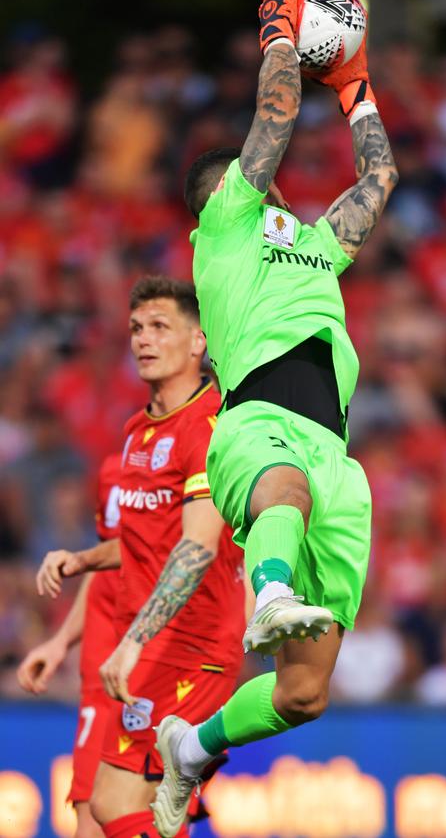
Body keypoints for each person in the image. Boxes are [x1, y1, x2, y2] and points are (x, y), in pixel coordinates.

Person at [152, 0, 398, 834]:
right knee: (281, 488)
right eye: (253, 183)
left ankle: (195, 747)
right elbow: (275, 122)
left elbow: (381, 175)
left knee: (304, 693)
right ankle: (269, 590)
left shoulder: (316, 249)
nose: (271, 185)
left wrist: (357, 82)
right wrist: (281, 38)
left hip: (334, 451)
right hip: (257, 423)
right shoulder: (224, 229)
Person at [35, 275, 247, 838]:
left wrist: (129, 644)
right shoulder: (136, 432)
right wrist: (82, 560)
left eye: (160, 327)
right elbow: (142, 542)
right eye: (135, 328)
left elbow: (197, 547)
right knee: (126, 806)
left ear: (199, 341)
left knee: (116, 802)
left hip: (192, 644)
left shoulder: (209, 426)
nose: (143, 340)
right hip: (157, 644)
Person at [17, 453, 122, 838]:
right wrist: (60, 642)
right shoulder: (116, 468)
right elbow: (106, 567)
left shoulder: (204, 465)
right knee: (89, 813)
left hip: (158, 663)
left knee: (154, 817)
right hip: (103, 657)